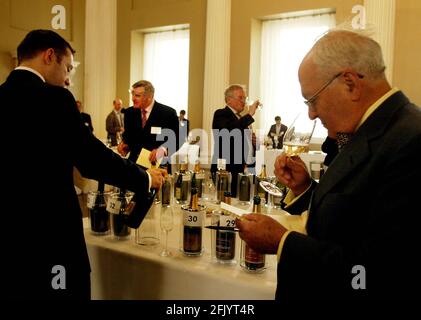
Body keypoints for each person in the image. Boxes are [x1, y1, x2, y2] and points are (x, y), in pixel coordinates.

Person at [236, 30, 421, 299]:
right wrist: (305, 189)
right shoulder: (371, 131)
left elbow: (381, 274)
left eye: (313, 100)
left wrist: (282, 242)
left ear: (350, 84)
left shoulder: (411, 142)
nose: (311, 114)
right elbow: (354, 215)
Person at [0, 29, 166, 299]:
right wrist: (145, 178)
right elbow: (93, 160)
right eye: (67, 68)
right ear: (49, 56)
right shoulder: (55, 99)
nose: (67, 79)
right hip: (51, 237)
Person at [211, 84, 260, 197]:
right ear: (229, 100)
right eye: (240, 97)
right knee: (226, 202)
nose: (244, 101)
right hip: (227, 168)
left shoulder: (240, 118)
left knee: (239, 202)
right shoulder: (221, 114)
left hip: (242, 168)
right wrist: (249, 114)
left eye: (245, 98)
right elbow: (228, 133)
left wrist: (253, 143)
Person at [117, 80, 179, 168]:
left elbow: (177, 139)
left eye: (137, 95)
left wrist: (163, 149)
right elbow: (128, 137)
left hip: (157, 166)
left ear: (150, 96)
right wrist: (125, 145)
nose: (133, 98)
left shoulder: (168, 113)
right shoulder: (129, 112)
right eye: (133, 94)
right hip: (133, 167)